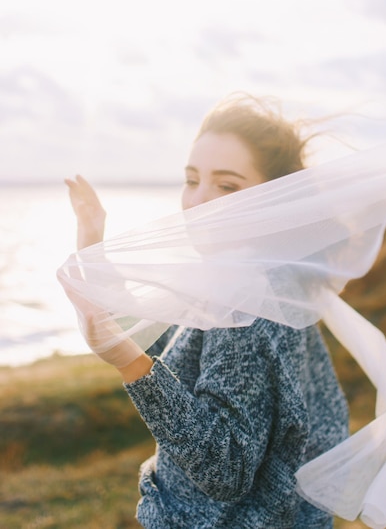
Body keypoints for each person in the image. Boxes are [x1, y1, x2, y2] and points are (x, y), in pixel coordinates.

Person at [64, 94, 350, 528]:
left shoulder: (250, 299)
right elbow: (178, 353)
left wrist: (128, 364)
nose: (197, 201)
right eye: (191, 178)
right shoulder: (258, 277)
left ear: (273, 198)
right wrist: (93, 246)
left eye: (227, 185)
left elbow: (225, 469)